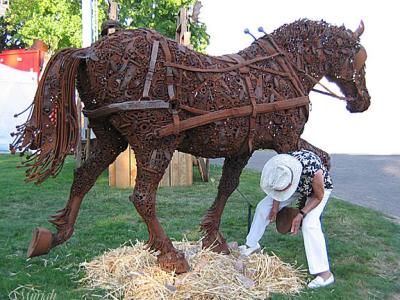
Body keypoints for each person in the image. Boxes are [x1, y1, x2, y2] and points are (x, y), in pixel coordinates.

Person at [239, 150, 334, 289]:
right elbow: (278, 190)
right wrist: (274, 207)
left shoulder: (313, 169)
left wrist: (301, 214)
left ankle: (325, 274)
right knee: (263, 208)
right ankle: (252, 245)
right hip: (296, 186)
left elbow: (319, 196)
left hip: (319, 191)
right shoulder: (281, 167)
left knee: (309, 224)